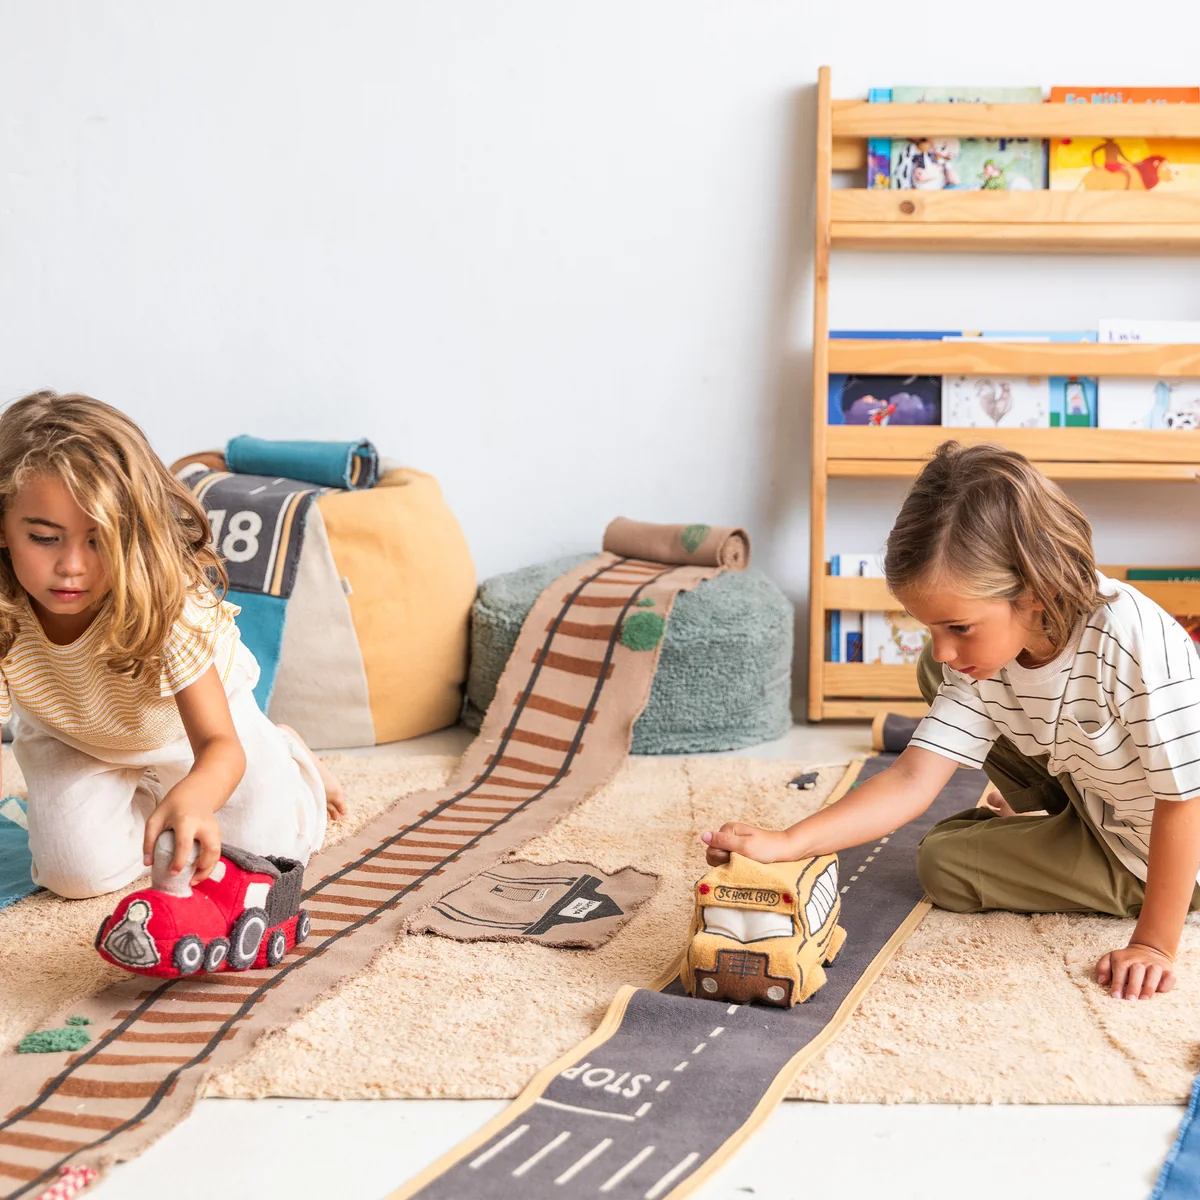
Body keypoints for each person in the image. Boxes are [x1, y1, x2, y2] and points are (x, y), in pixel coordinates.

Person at [703, 441, 1200, 1002]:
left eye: (959, 627)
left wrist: (1155, 944)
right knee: (936, 697)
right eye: (931, 626)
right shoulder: (985, 653)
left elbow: (1184, 801)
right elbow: (912, 778)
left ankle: (1135, 878)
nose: (944, 648)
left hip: (1169, 847)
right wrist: (789, 842)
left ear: (1037, 593)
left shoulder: (1135, 642)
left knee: (944, 861)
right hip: (1097, 797)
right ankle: (1054, 815)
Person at [0, 391, 346, 900]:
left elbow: (219, 744)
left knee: (261, 851)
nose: (72, 566)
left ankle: (291, 759)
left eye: (99, 539)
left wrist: (197, 796)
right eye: (45, 538)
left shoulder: (169, 602)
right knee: (74, 875)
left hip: (194, 733)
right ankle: (145, 795)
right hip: (71, 734)